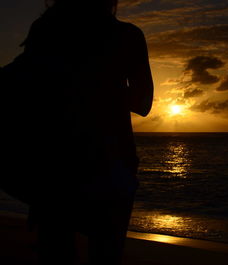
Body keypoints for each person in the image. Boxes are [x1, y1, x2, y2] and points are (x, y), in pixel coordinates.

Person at [2, 0, 153, 264]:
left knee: (56, 252)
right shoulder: (127, 34)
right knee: (104, 255)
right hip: (108, 162)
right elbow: (143, 103)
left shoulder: (47, 29)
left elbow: (14, 82)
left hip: (55, 164)